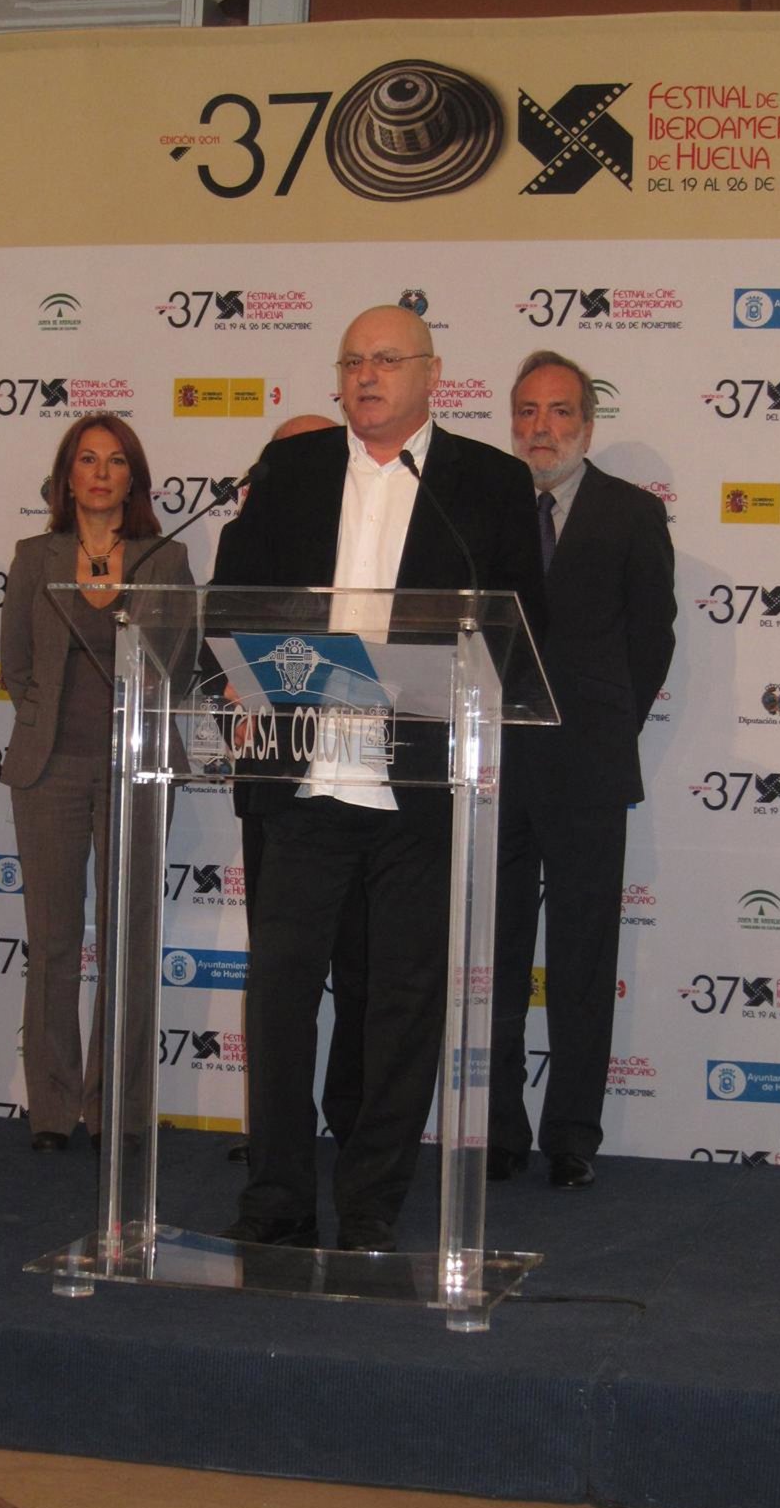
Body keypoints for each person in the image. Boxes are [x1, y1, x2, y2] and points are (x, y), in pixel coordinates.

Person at [211, 305, 545, 1252]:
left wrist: (454, 688)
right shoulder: (293, 471)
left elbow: (524, 630)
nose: (366, 375)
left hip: (420, 786)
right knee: (281, 997)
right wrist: (235, 678)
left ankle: (370, 1205)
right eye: (353, 360)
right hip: (305, 778)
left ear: (432, 374)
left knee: (402, 1006)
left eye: (387, 360)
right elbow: (229, 603)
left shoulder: (488, 482)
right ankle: (277, 1196)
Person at [488, 350, 676, 1189]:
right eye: (528, 411)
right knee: (495, 960)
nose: (542, 427)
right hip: (495, 766)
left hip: (589, 770)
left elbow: (652, 639)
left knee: (583, 959)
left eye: (559, 411)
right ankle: (499, 1130)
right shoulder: (488, 511)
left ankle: (571, 1135)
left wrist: (602, 729)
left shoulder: (632, 512)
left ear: (587, 426)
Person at [0, 413, 195, 1153]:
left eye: (115, 461)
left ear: (133, 478)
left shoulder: (166, 560)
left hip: (137, 767)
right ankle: (52, 1111)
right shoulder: (34, 557)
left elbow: (182, 665)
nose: (101, 473)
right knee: (52, 940)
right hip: (49, 769)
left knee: (128, 940)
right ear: (67, 476)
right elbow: (19, 666)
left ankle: (115, 1108)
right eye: (87, 459)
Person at [216, 413, 367, 1164]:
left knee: (365, 970)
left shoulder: (372, 532)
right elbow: (216, 635)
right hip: (276, 775)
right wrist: (239, 699)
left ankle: (353, 1121)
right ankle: (279, 1133)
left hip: (368, 769)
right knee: (282, 976)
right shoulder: (244, 535)